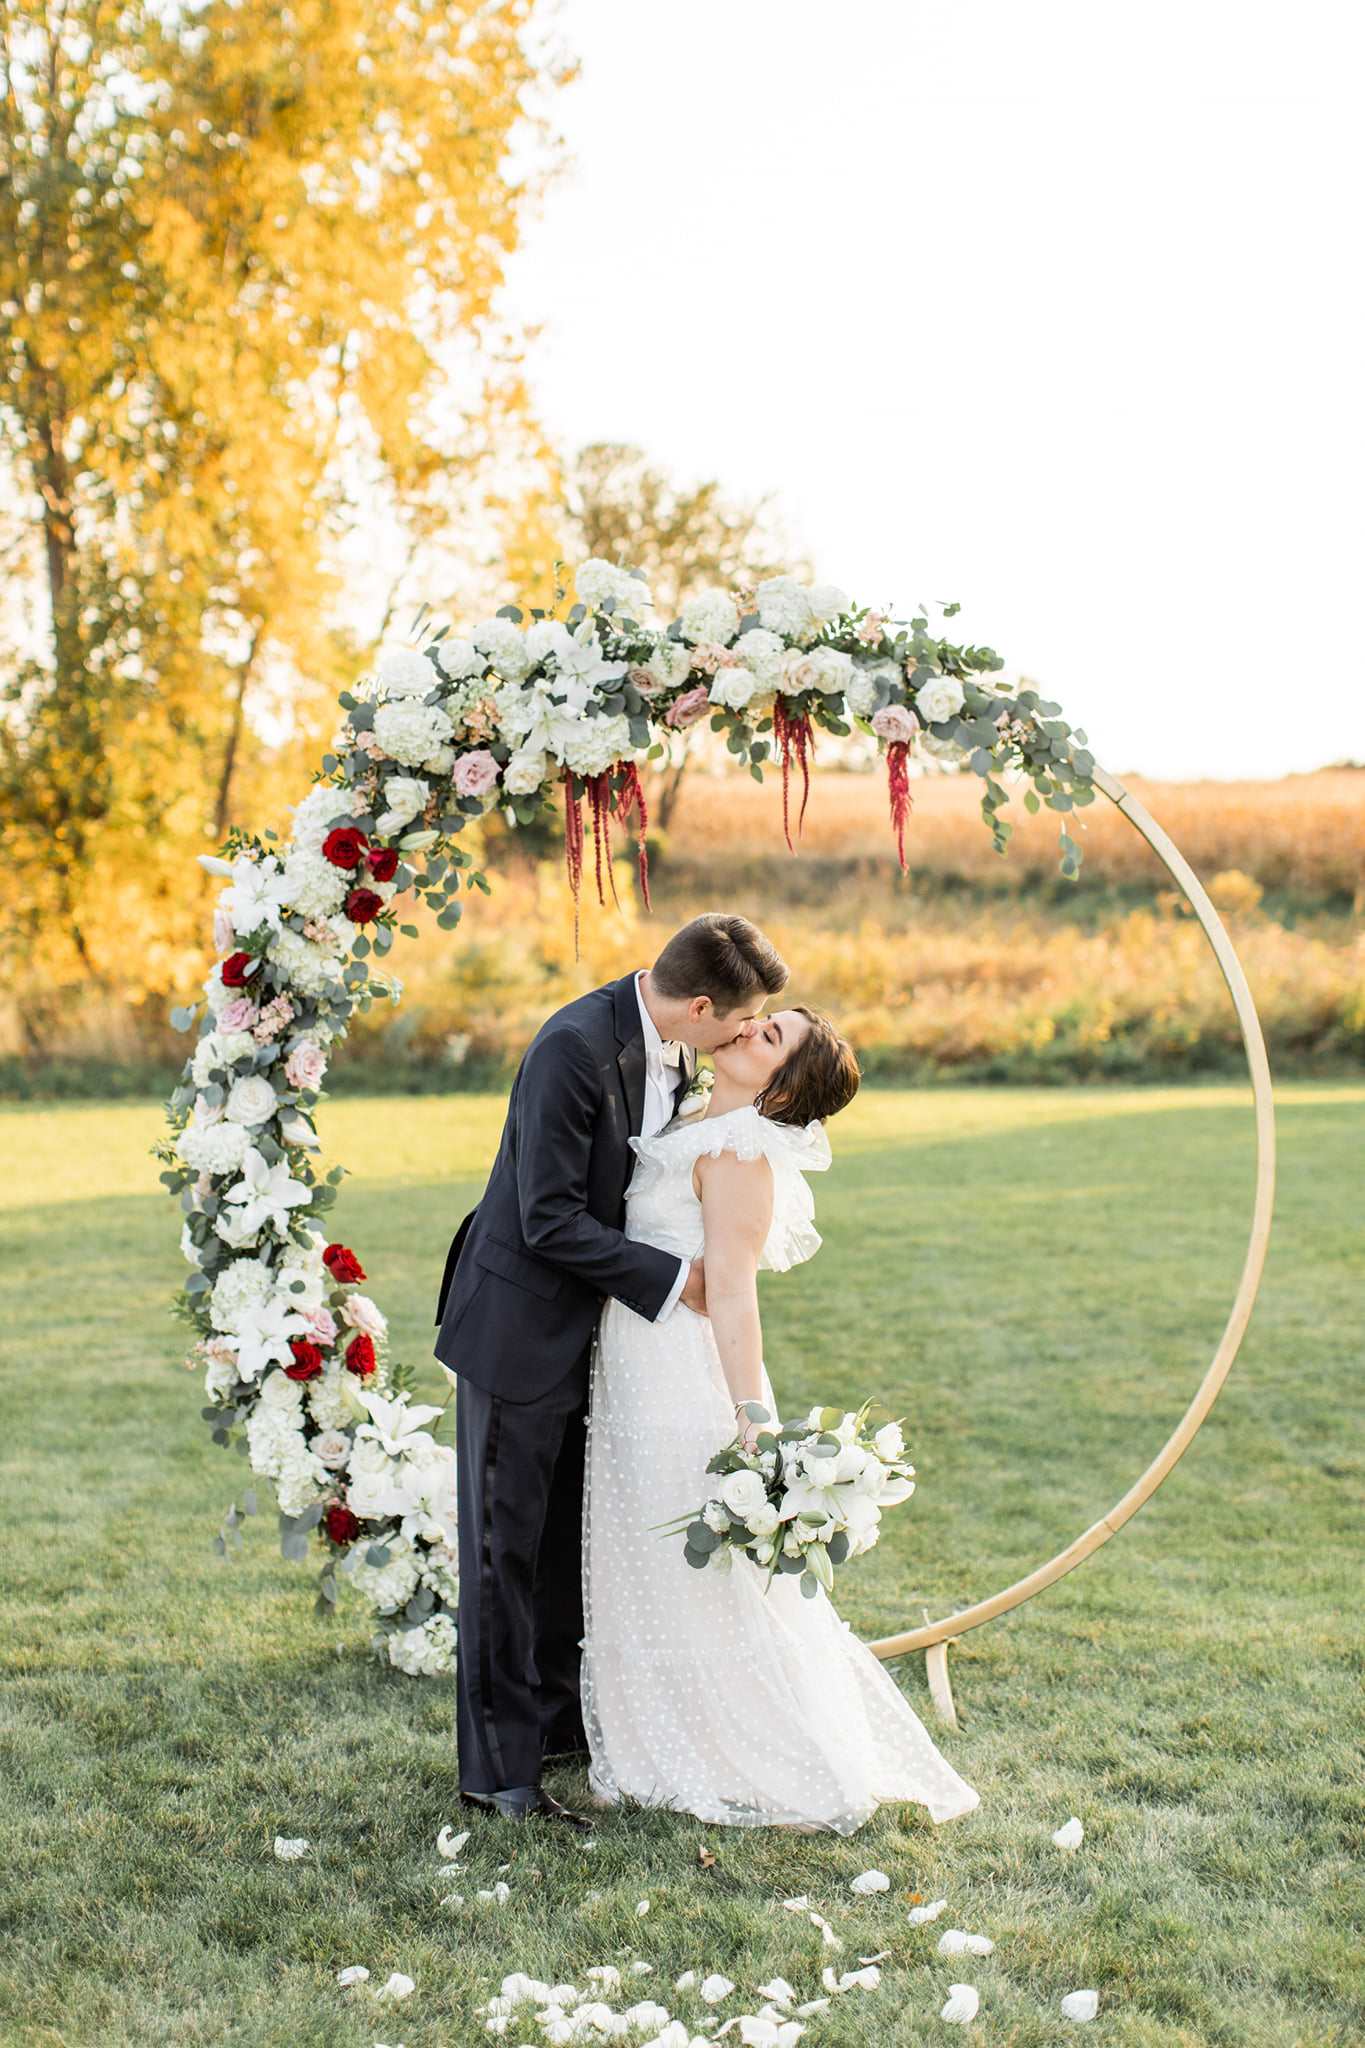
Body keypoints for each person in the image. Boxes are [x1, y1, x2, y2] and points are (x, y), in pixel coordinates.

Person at [580, 1003, 982, 1833]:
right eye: (764, 1018)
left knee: (690, 1565)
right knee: (637, 1552)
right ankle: (655, 1739)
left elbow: (732, 1294)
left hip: (681, 1373)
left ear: (784, 1090)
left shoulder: (740, 1156)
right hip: (631, 1359)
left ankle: (758, 1754)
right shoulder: (692, 1118)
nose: (748, 1028)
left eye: (770, 1037)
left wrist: (750, 1416)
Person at [434, 913, 789, 1829]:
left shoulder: (668, 1044)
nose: (744, 1037)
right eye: (740, 1022)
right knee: (505, 1550)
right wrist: (678, 1280)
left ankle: (560, 1727)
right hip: (519, 1328)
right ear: (700, 1007)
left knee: (562, 1545)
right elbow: (547, 1216)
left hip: (596, 1337)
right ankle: (500, 1776)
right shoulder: (573, 1048)